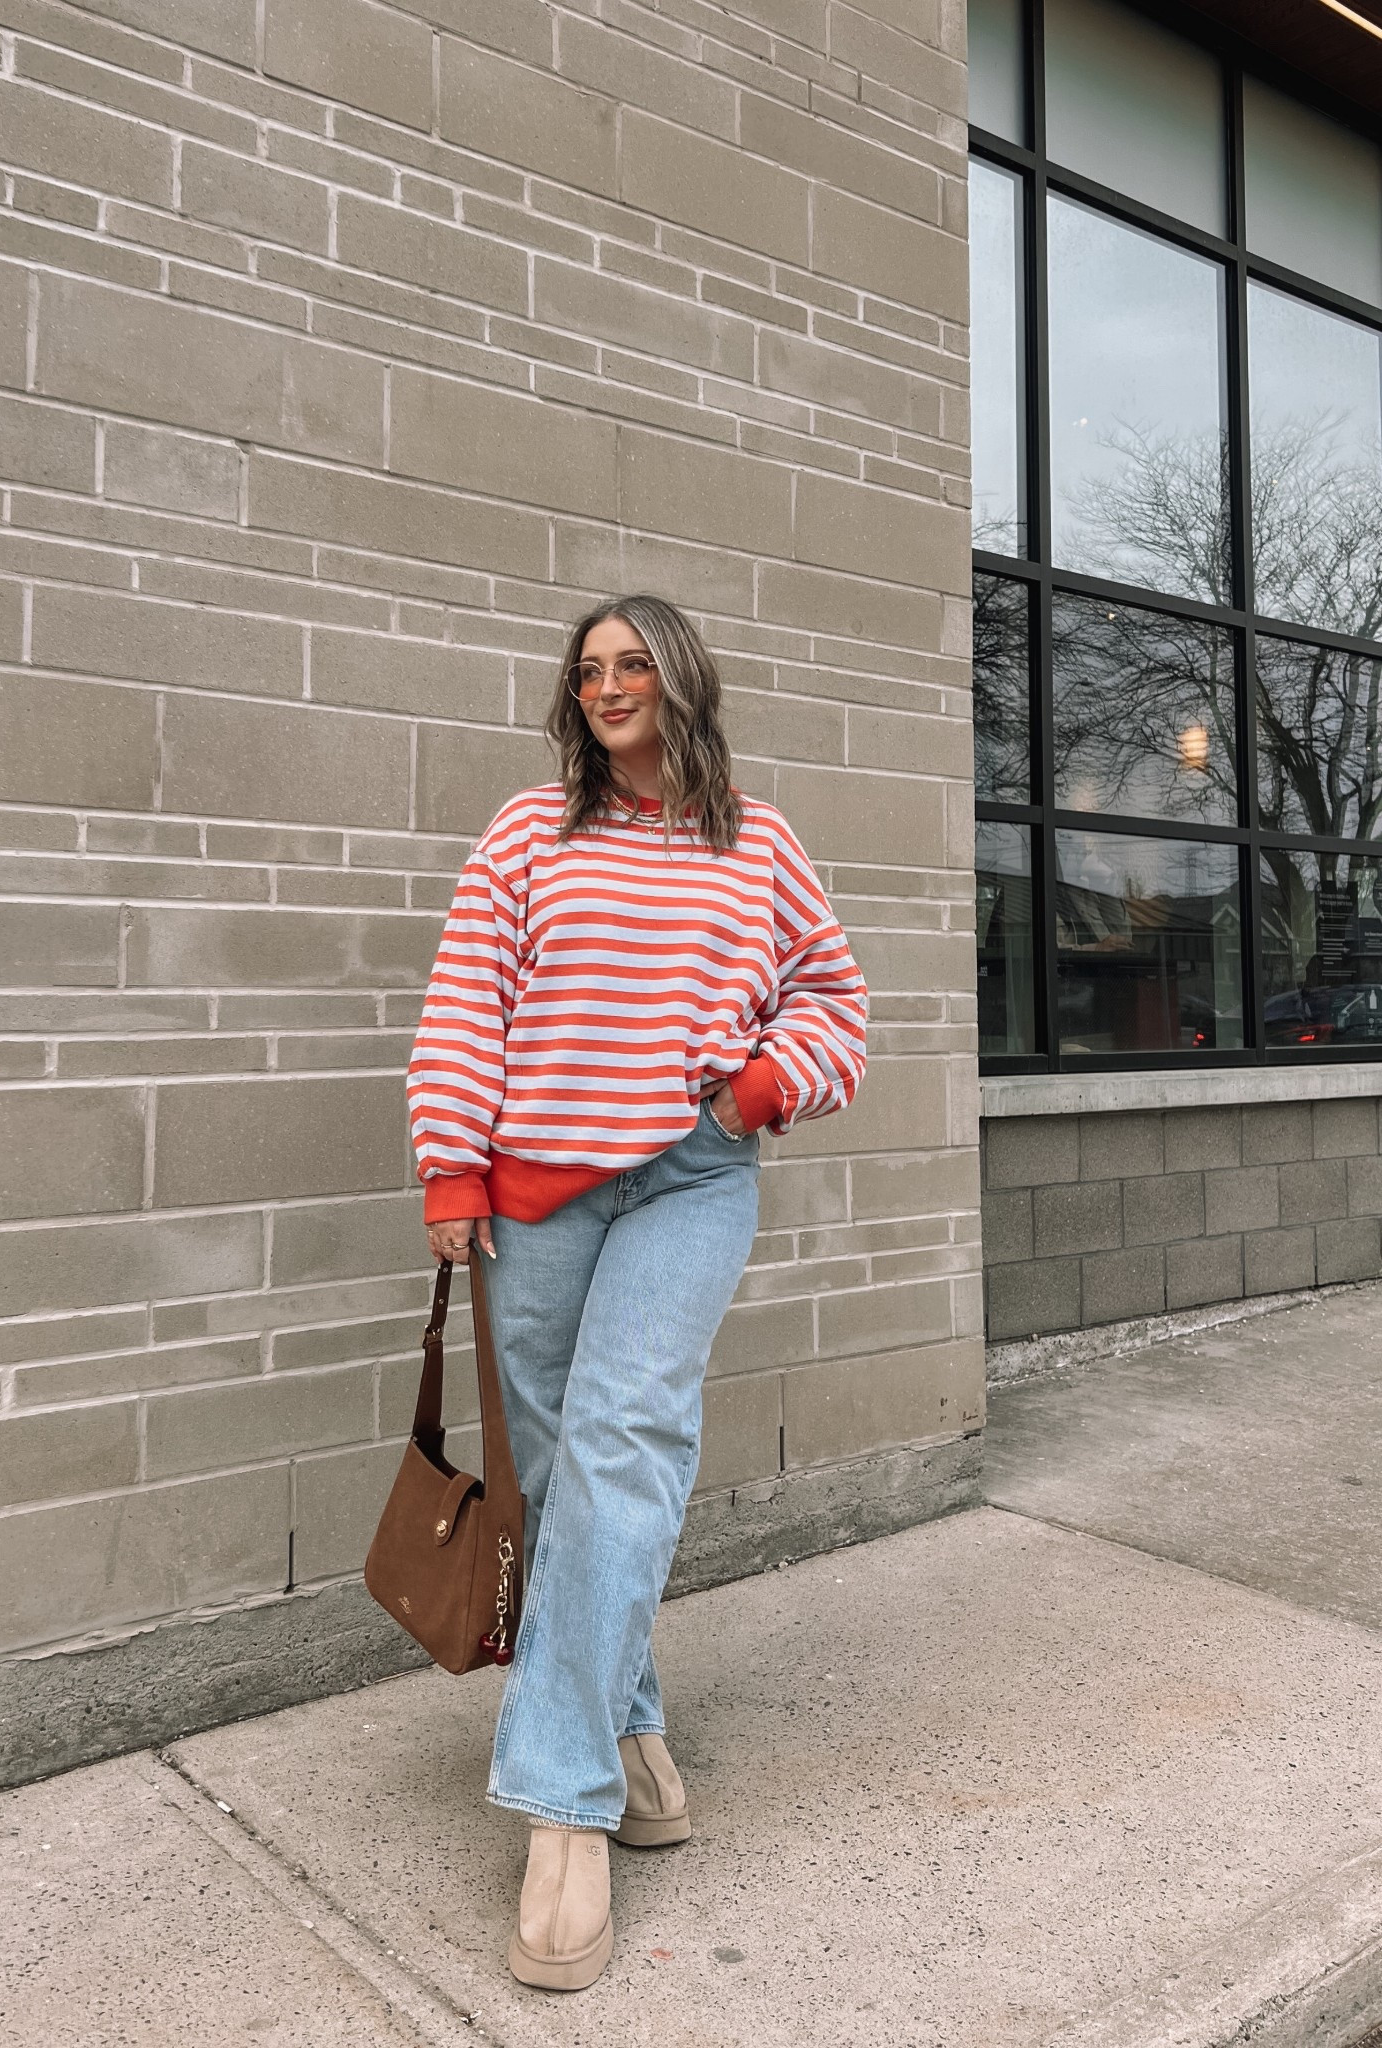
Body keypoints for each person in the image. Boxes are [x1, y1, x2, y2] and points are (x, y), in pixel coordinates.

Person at [405, 594, 868, 1991]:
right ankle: (632, 1727)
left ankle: (562, 1807)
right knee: (553, 1482)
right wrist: (450, 1172)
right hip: (533, 1195)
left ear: (681, 681)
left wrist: (762, 1083)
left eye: (633, 664)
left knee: (624, 1443)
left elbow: (836, 1005)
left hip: (689, 1178)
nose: (609, 685)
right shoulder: (525, 833)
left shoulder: (759, 841)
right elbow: (465, 1001)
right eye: (589, 669)